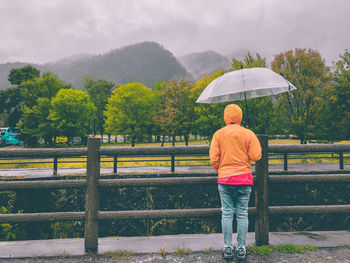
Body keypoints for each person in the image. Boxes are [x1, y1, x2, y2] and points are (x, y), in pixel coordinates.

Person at [209, 104, 262, 261]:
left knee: (226, 213)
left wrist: (221, 169)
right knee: (242, 214)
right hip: (244, 179)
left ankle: (227, 248)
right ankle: (241, 249)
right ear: (240, 118)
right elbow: (256, 155)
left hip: (225, 179)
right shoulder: (248, 133)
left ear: (225, 118)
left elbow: (213, 158)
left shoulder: (218, 134)